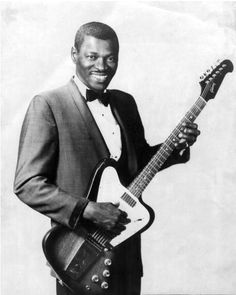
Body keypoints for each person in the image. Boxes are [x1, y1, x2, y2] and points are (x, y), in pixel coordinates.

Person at [14, 22, 200, 295]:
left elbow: (138, 165)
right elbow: (27, 184)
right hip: (79, 256)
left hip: (127, 254)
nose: (102, 65)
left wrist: (176, 147)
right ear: (74, 54)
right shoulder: (48, 105)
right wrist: (89, 210)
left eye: (110, 57)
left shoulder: (126, 103)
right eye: (92, 56)